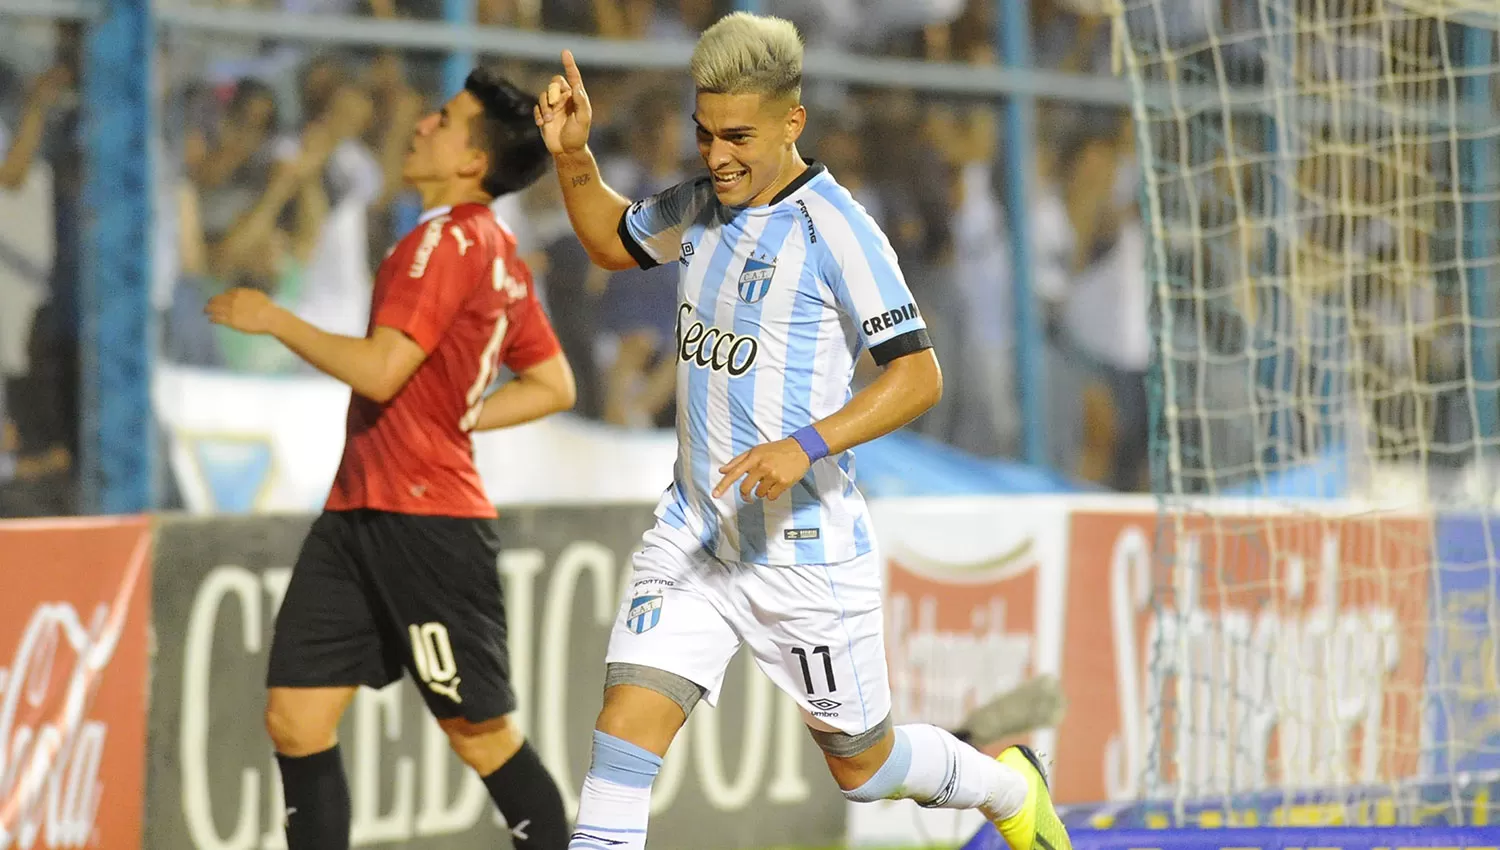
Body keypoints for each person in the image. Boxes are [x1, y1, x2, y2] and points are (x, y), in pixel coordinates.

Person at [534, 13, 1073, 850]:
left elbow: (918, 375)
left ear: (793, 123)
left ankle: (1008, 785)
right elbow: (612, 240)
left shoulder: (839, 231)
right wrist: (573, 156)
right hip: (695, 533)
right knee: (622, 737)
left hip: (803, 555)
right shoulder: (705, 201)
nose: (717, 156)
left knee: (867, 770)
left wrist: (806, 443)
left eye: (738, 136)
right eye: (704, 134)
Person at [206, 67, 576, 850]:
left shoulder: (442, 240)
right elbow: (553, 383)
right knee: (297, 716)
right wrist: (458, 416)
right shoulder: (500, 253)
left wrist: (274, 318)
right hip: (356, 514)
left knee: (482, 735)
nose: (420, 125)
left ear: (474, 162)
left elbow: (381, 369)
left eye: (443, 120)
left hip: (426, 528)